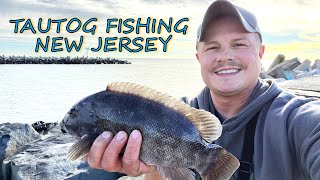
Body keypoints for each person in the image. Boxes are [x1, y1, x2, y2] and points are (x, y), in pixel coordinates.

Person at [86, 0, 320, 179]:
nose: (225, 56)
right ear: (199, 58)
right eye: (212, 47)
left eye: (239, 44)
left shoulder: (299, 121)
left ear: (261, 53)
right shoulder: (174, 113)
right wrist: (150, 166)